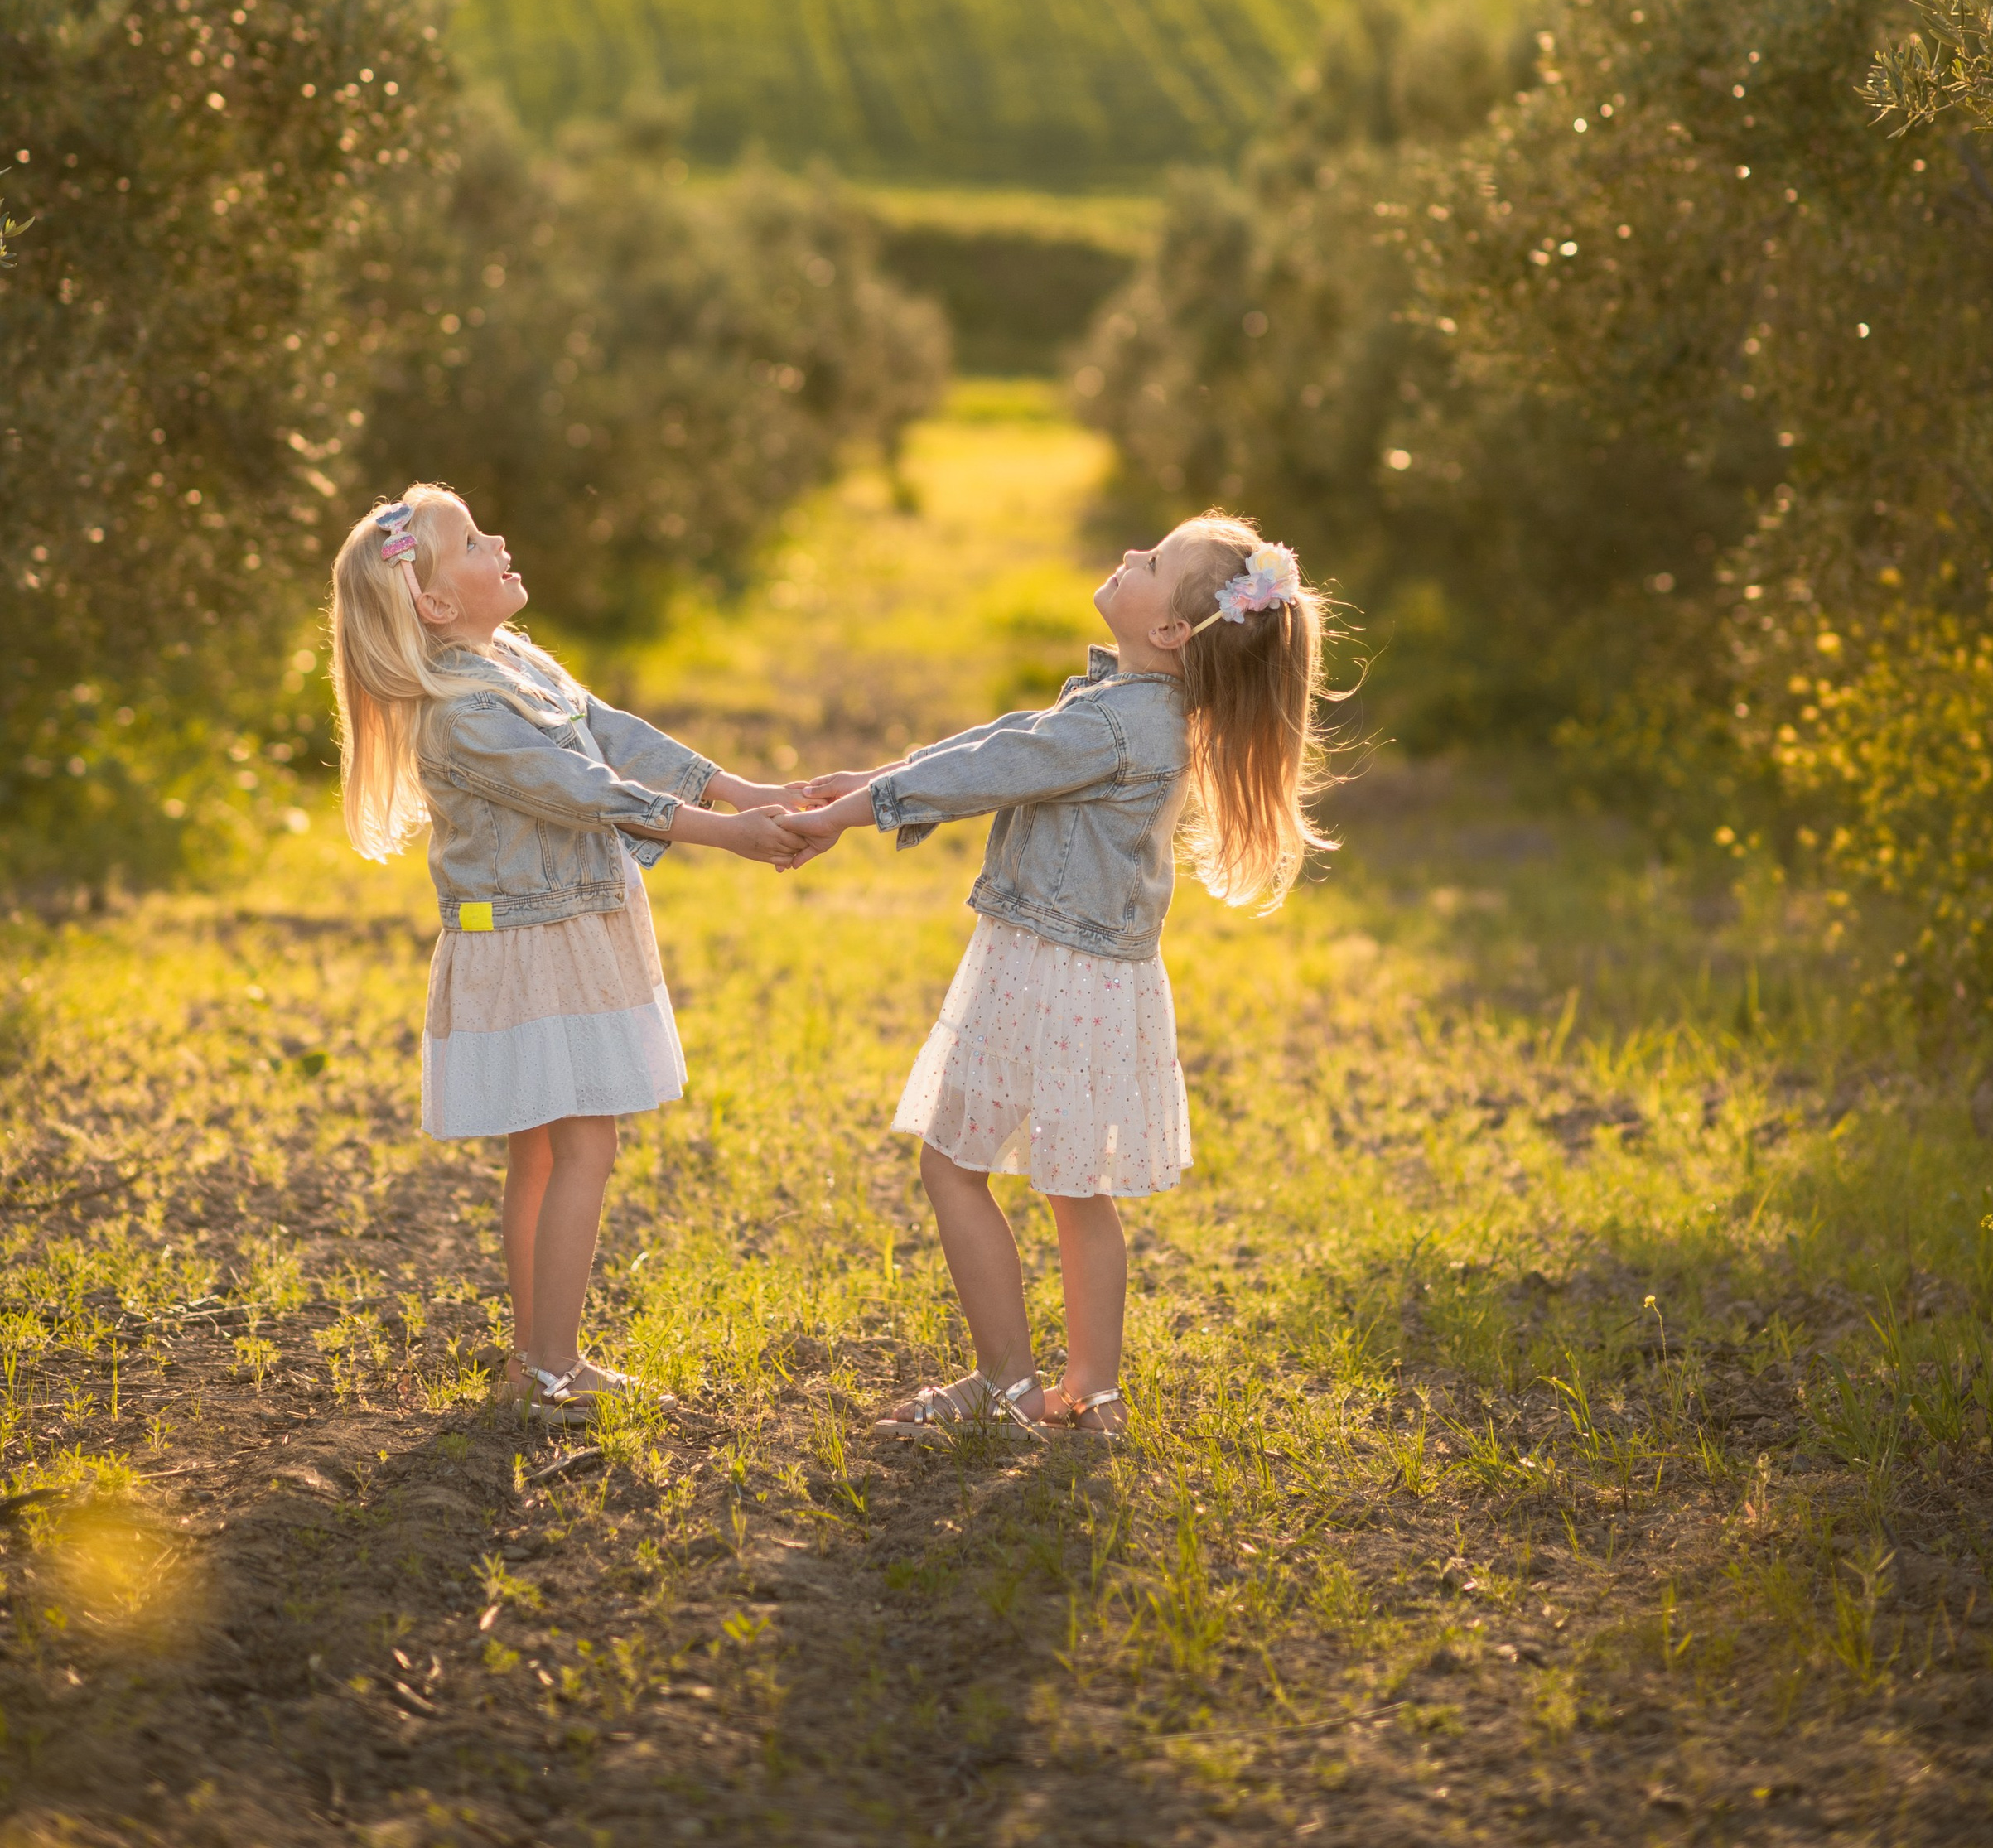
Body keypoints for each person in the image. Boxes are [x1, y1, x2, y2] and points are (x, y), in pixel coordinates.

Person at [786, 513, 1337, 1440]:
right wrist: (879, 778)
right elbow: (1003, 744)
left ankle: (1006, 1383)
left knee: (952, 1164)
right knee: (1077, 1187)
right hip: (1097, 981)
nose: (1128, 556)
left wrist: (851, 810)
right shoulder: (1136, 708)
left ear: (1171, 630)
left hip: (1043, 970)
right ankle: (1093, 1392)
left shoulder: (1120, 722)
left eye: (1150, 560)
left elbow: (998, 765)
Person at [330, 482, 808, 1425]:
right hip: (528, 945)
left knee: (548, 1151)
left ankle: (537, 1358)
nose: (500, 540)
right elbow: (582, 787)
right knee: (579, 1143)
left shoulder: (510, 657)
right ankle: (551, 1362)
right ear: (436, 603)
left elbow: (612, 732)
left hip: (568, 929)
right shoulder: (460, 714)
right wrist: (726, 834)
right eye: (474, 541)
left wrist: (741, 790)